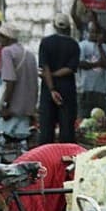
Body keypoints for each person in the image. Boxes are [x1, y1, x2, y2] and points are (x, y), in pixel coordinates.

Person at [38, 13, 80, 144]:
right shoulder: (74, 45)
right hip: (67, 89)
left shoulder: (46, 42)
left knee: (46, 128)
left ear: (54, 26)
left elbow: (45, 67)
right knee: (67, 128)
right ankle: (67, 155)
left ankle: (45, 155)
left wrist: (51, 88)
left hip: (48, 90)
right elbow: (70, 68)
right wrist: (55, 74)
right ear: (68, 28)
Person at [0, 21, 38, 139]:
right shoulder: (29, 54)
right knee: (20, 144)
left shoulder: (7, 52)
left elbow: (10, 80)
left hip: (11, 110)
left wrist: (5, 106)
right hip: (25, 111)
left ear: (4, 37)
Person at [77, 21, 106, 115]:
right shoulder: (81, 45)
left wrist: (100, 46)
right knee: (84, 116)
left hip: (102, 90)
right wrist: (97, 64)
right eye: (91, 31)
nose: (93, 34)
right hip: (85, 88)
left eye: (96, 32)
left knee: (101, 117)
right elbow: (80, 64)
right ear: (87, 32)